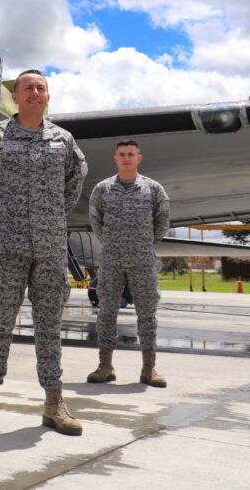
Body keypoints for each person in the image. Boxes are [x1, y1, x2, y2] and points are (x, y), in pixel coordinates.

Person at [0, 69, 87, 436]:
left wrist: (51, 216)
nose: (35, 92)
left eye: (41, 88)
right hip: (6, 246)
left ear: (48, 97)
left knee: (49, 326)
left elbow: (74, 182)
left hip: (49, 248)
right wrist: (1, 213)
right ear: (15, 97)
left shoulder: (63, 140)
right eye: (28, 88)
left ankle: (54, 403)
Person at [87, 140, 170, 387]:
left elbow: (162, 221)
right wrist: (113, 243)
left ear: (138, 158)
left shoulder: (153, 189)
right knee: (106, 312)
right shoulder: (102, 189)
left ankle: (149, 369)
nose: (126, 158)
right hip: (111, 259)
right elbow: (96, 221)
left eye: (130, 154)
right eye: (121, 154)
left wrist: (143, 243)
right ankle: (105, 366)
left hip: (142, 259)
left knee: (147, 313)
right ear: (115, 158)